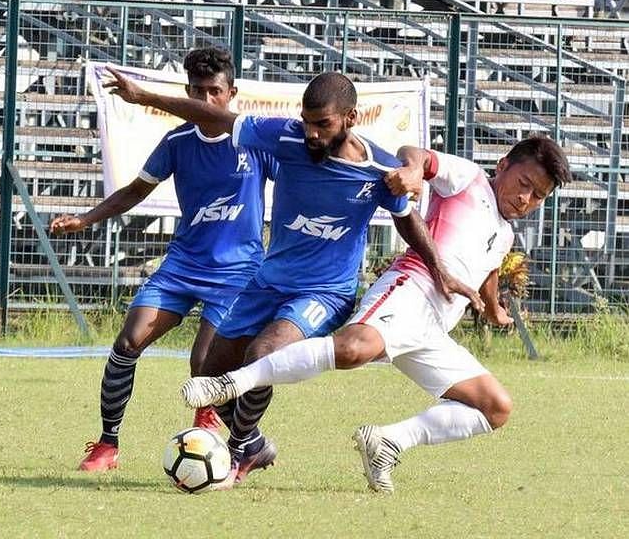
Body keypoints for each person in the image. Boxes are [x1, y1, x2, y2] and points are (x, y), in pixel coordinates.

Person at [106, 68, 483, 488]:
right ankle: (250, 443)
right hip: (268, 281)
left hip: (325, 291)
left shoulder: (380, 169)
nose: (311, 134)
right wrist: (144, 97)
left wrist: (440, 272)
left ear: (351, 118)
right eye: (306, 121)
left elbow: (406, 220)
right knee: (209, 380)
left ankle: (233, 456)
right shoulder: (284, 137)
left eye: (322, 124)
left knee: (263, 354)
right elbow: (213, 117)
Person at [180, 135, 573, 493]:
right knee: (354, 350)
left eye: (538, 196)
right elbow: (415, 156)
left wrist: (493, 309)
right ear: (503, 165)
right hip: (410, 291)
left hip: (434, 330)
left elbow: (487, 270)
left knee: (495, 407)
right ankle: (229, 384)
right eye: (525, 184)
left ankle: (389, 441)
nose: (527, 199)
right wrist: (413, 172)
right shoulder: (469, 179)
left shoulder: (504, 232)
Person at [50, 48, 278, 472]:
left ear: (232, 93)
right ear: (187, 91)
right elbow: (135, 190)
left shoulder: (256, 142)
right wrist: (85, 218)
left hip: (238, 273)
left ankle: (212, 435)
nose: (206, 101)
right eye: (197, 91)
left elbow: (297, 185)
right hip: (183, 266)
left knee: (205, 364)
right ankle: (107, 445)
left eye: (215, 92)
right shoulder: (177, 142)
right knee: (127, 342)